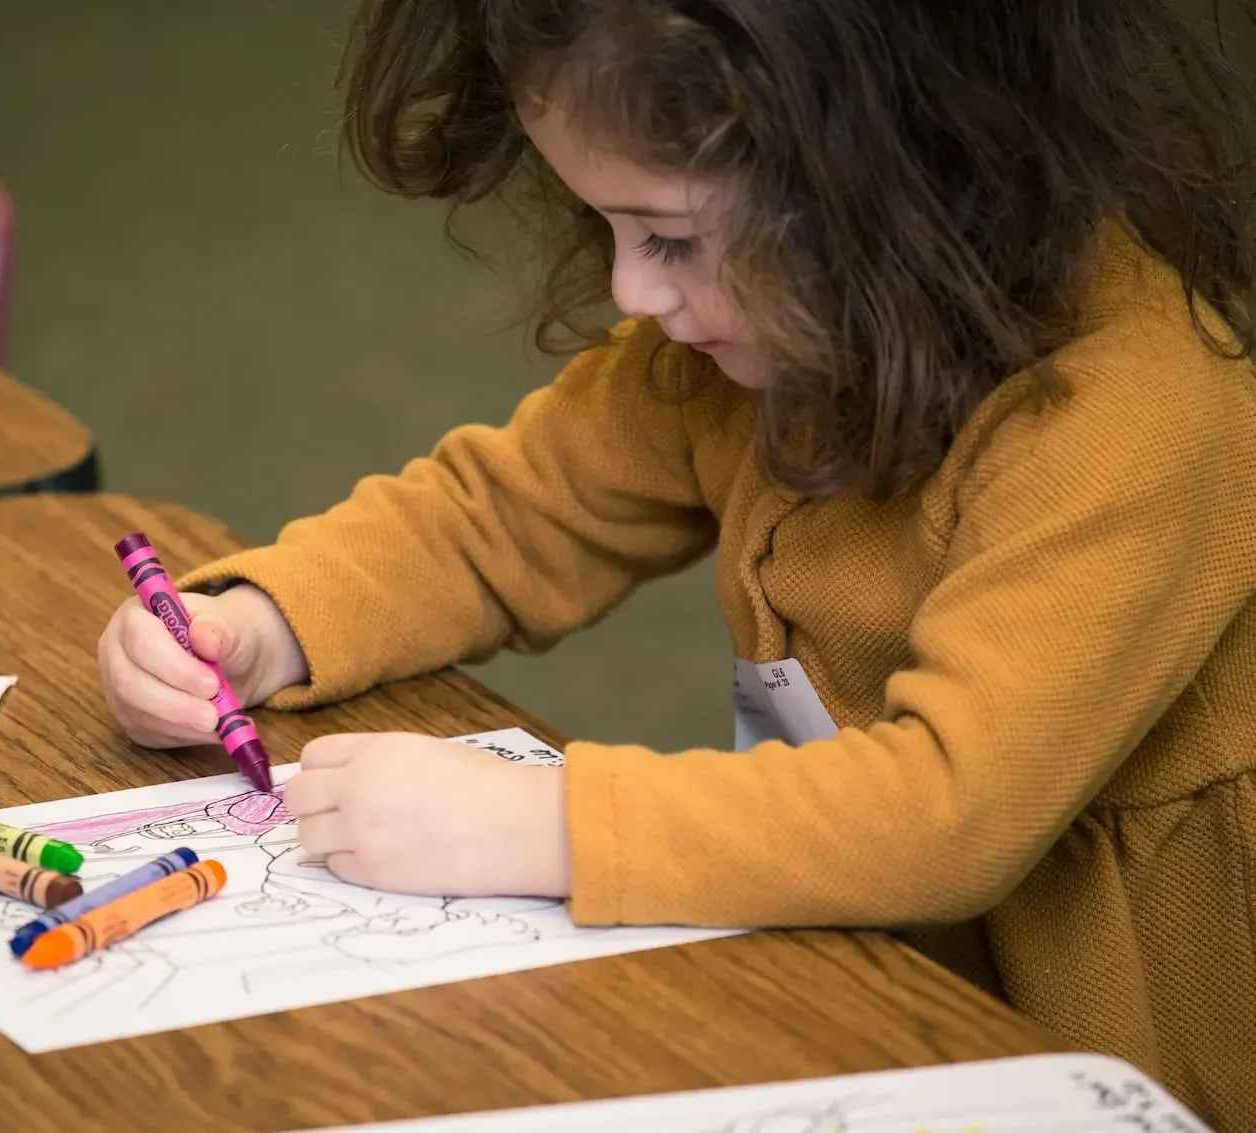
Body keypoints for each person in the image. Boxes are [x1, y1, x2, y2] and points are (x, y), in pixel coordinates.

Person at [98, 0, 1256, 1123]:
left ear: (887, 187)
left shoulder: (1137, 414)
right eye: (602, 226)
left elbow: (944, 811)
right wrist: (265, 617)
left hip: (1142, 1042)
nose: (630, 292)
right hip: (875, 980)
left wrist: (531, 823)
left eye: (668, 237)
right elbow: (497, 514)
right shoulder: (767, 328)